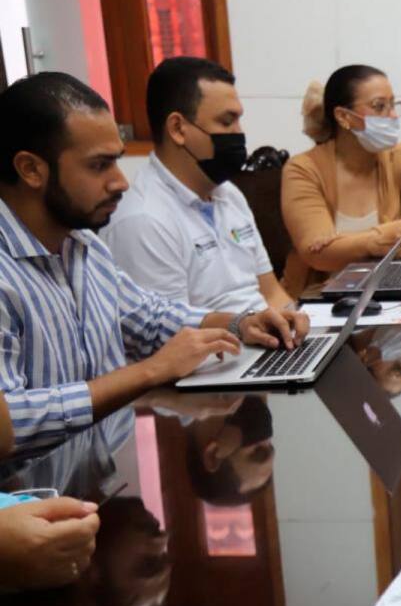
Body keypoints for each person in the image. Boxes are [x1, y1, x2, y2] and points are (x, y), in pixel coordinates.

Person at [0, 72, 307, 455]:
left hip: (103, 468)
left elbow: (149, 317)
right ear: (31, 170)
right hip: (33, 500)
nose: (120, 182)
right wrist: (151, 371)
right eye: (99, 166)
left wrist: (239, 323)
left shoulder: (83, 247)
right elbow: (7, 422)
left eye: (117, 161)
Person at [101, 57, 293, 312]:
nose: (239, 133)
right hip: (225, 348)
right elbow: (175, 339)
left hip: (265, 341)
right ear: (178, 128)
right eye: (226, 122)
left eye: (238, 121)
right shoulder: (143, 220)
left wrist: (299, 330)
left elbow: (272, 294)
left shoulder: (228, 193)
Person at [282, 65, 401, 295]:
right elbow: (318, 254)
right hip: (319, 300)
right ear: (343, 116)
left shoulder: (400, 156)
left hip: (389, 292)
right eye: (380, 106)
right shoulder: (303, 169)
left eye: (393, 105)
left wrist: (373, 237)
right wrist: (374, 244)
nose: (391, 116)